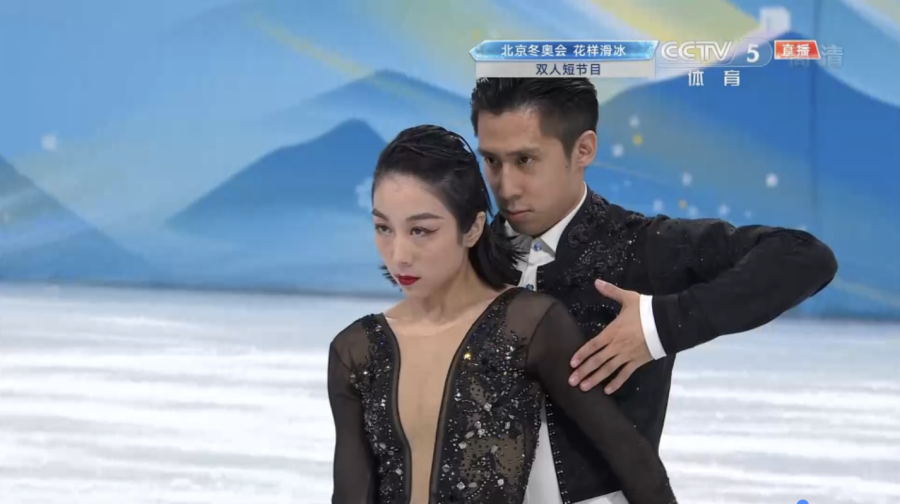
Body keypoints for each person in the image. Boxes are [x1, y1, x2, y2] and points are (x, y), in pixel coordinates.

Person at [470, 77, 839, 504]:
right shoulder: (466, 255)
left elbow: (804, 258)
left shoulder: (643, 248)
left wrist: (661, 325)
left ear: (583, 149)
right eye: (492, 161)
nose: (506, 187)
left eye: (526, 160)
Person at [328, 125, 677, 504]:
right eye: (383, 228)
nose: (399, 255)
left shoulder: (527, 325)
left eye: (421, 231)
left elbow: (632, 459)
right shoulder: (357, 350)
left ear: (473, 228)